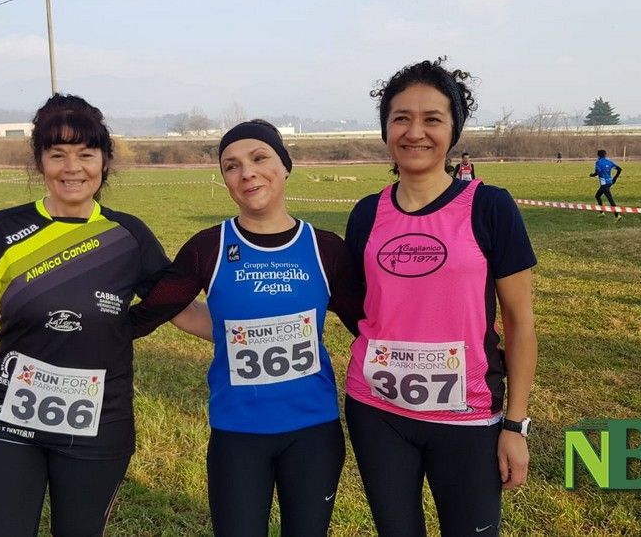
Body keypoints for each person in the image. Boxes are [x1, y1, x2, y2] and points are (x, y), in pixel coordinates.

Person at [0, 93, 209, 537]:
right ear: (39, 162)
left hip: (99, 430)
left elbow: (183, 311)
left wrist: (258, 328)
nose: (72, 168)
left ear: (104, 161)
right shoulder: (1, 231)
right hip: (5, 422)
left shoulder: (128, 236)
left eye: (86, 154)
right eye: (57, 154)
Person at [131, 120, 365, 537]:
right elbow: (159, 308)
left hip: (313, 431)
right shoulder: (209, 246)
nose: (247, 173)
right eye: (231, 166)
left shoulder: (325, 248)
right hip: (237, 433)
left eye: (259, 158)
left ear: (285, 165)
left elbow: (368, 325)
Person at [344, 58, 539, 537]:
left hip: (467, 417)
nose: (415, 132)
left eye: (432, 118)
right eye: (401, 118)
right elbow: (360, 308)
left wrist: (514, 426)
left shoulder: (490, 206)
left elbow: (520, 323)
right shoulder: (366, 214)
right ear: (386, 129)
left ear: (453, 130)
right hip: (377, 412)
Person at [590, 149, 623, 221]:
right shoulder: (609, 161)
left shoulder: (598, 162)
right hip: (609, 182)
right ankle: (602, 212)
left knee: (610, 199)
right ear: (605, 155)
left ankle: (617, 216)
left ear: (598, 155)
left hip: (604, 184)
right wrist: (615, 178)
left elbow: (597, 172)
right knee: (597, 196)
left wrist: (592, 175)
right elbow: (620, 169)